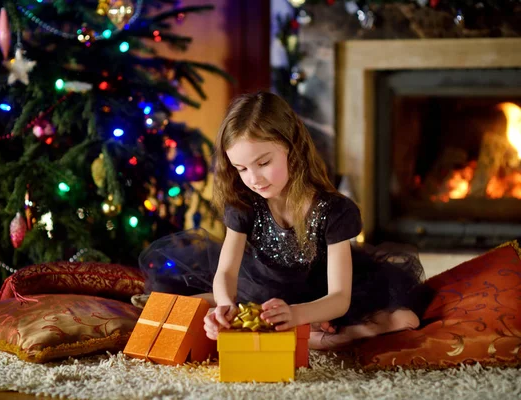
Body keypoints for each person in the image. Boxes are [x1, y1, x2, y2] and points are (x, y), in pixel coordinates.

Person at [139, 91, 429, 350]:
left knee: (405, 318)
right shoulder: (244, 204)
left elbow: (339, 296)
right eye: (241, 168)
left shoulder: (335, 211)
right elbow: (226, 273)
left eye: (263, 163)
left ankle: (330, 333)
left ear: (291, 148)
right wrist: (226, 307)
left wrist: (298, 314)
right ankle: (310, 334)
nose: (253, 179)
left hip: (313, 295)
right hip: (255, 291)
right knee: (174, 309)